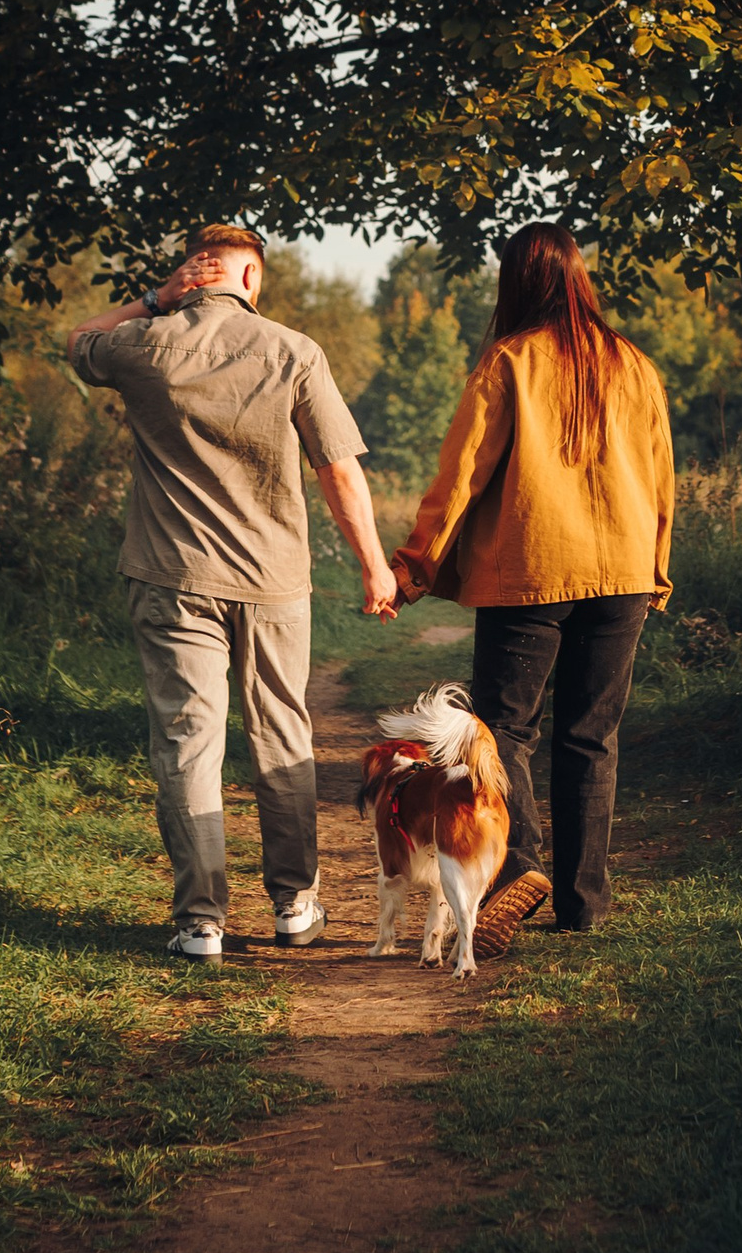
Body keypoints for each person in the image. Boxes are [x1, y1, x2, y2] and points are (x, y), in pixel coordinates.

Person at [69, 224, 396, 961]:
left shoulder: (141, 345)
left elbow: (78, 338)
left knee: (190, 741)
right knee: (282, 732)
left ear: (193, 277)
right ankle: (294, 905)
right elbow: (339, 469)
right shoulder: (293, 350)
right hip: (274, 580)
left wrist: (153, 299)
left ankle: (200, 922)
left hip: (174, 575)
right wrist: (375, 566)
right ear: (253, 281)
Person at [393, 224, 672, 950]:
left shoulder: (510, 360)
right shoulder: (635, 365)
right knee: (592, 736)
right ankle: (584, 903)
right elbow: (661, 480)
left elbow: (460, 478)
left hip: (534, 571)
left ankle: (521, 867)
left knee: (505, 730)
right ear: (579, 276)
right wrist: (657, 568)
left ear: (515, 280)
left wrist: (413, 567)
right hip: (623, 572)